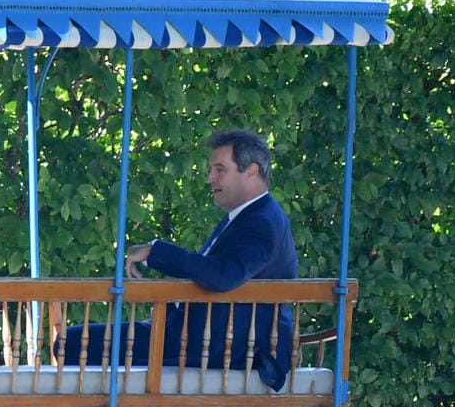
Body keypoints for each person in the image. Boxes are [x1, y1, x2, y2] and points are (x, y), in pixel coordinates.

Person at [62, 128, 297, 389]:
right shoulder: (248, 216)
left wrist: (156, 251)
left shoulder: (261, 221)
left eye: (220, 169)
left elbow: (223, 275)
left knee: (74, 346)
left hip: (222, 348)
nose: (210, 178)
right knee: (71, 342)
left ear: (251, 171)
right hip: (195, 336)